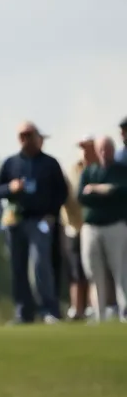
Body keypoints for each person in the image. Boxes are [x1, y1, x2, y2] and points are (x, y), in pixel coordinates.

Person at [0, 121, 68, 324]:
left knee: (40, 265)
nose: (26, 139)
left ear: (37, 137)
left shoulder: (50, 163)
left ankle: (49, 310)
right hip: (16, 222)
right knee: (18, 268)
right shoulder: (11, 163)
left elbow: (61, 192)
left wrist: (51, 213)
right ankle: (23, 312)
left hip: (40, 221)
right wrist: (11, 187)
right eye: (22, 136)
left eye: (30, 135)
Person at [77, 136, 127, 321]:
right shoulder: (90, 172)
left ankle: (125, 312)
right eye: (102, 149)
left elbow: (122, 193)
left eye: (108, 149)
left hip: (116, 225)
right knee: (93, 271)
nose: (105, 153)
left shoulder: (121, 171)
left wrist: (99, 190)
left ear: (113, 150)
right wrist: (107, 191)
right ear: (98, 152)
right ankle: (99, 314)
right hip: (92, 227)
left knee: (121, 271)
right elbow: (81, 196)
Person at [62, 136, 99, 320]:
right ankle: (77, 309)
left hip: (95, 227)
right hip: (74, 227)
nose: (85, 151)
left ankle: (95, 308)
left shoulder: (101, 168)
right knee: (76, 271)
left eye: (88, 147)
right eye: (82, 148)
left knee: (94, 270)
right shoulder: (72, 170)